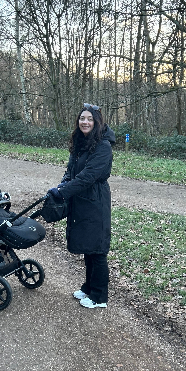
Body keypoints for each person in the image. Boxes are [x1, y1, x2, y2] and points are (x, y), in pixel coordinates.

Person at [48, 103, 116, 308]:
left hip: (96, 201)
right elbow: (71, 171)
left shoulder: (103, 147)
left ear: (97, 122)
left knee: (97, 250)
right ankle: (88, 287)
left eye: (89, 119)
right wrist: (62, 184)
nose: (85, 122)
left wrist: (63, 192)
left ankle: (99, 297)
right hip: (81, 199)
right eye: (82, 118)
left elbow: (88, 177)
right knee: (88, 246)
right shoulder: (81, 142)